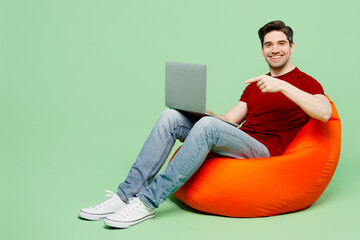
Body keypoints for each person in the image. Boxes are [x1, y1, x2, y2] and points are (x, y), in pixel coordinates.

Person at [78, 20, 332, 228]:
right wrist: (206, 116)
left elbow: (324, 111)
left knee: (208, 128)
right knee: (172, 117)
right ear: (262, 49)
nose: (274, 49)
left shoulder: (305, 82)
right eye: (268, 44)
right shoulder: (256, 84)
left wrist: (283, 86)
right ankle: (125, 195)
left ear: (292, 46)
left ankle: (146, 203)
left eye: (280, 43)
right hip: (242, 140)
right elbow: (231, 120)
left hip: (266, 152)